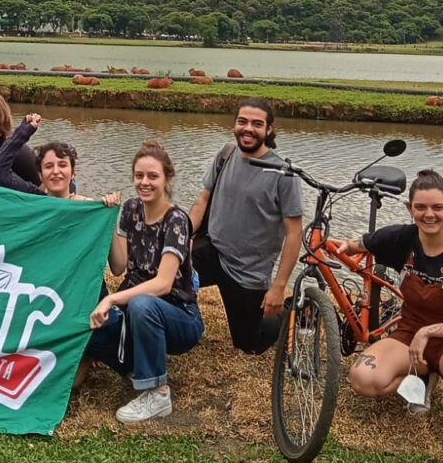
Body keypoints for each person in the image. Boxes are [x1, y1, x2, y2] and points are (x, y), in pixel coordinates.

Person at [336, 169, 443, 452]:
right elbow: (360, 244)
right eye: (420, 207)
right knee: (362, 379)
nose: (429, 214)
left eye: (437, 207)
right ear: (410, 209)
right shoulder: (403, 238)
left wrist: (430, 332)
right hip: (409, 337)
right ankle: (422, 378)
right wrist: (342, 247)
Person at [87, 141, 204, 423]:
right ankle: (138, 368)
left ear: (168, 179)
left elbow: (164, 284)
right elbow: (118, 267)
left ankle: (157, 393)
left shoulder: (177, 220)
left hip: (179, 315)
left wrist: (112, 298)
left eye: (153, 176)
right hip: (139, 310)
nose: (144, 182)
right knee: (90, 328)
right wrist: (109, 219)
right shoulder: (130, 210)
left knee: (141, 304)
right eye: (139, 176)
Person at [188, 98, 303, 355]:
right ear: (235, 124)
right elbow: (202, 199)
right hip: (212, 250)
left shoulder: (284, 174)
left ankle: (295, 310)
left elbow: (294, 233)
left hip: (248, 271)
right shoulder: (226, 154)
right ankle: (184, 322)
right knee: (170, 274)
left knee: (250, 344)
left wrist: (279, 286)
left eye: (257, 124)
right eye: (242, 121)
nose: (248, 128)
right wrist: (181, 236)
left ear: (269, 130)